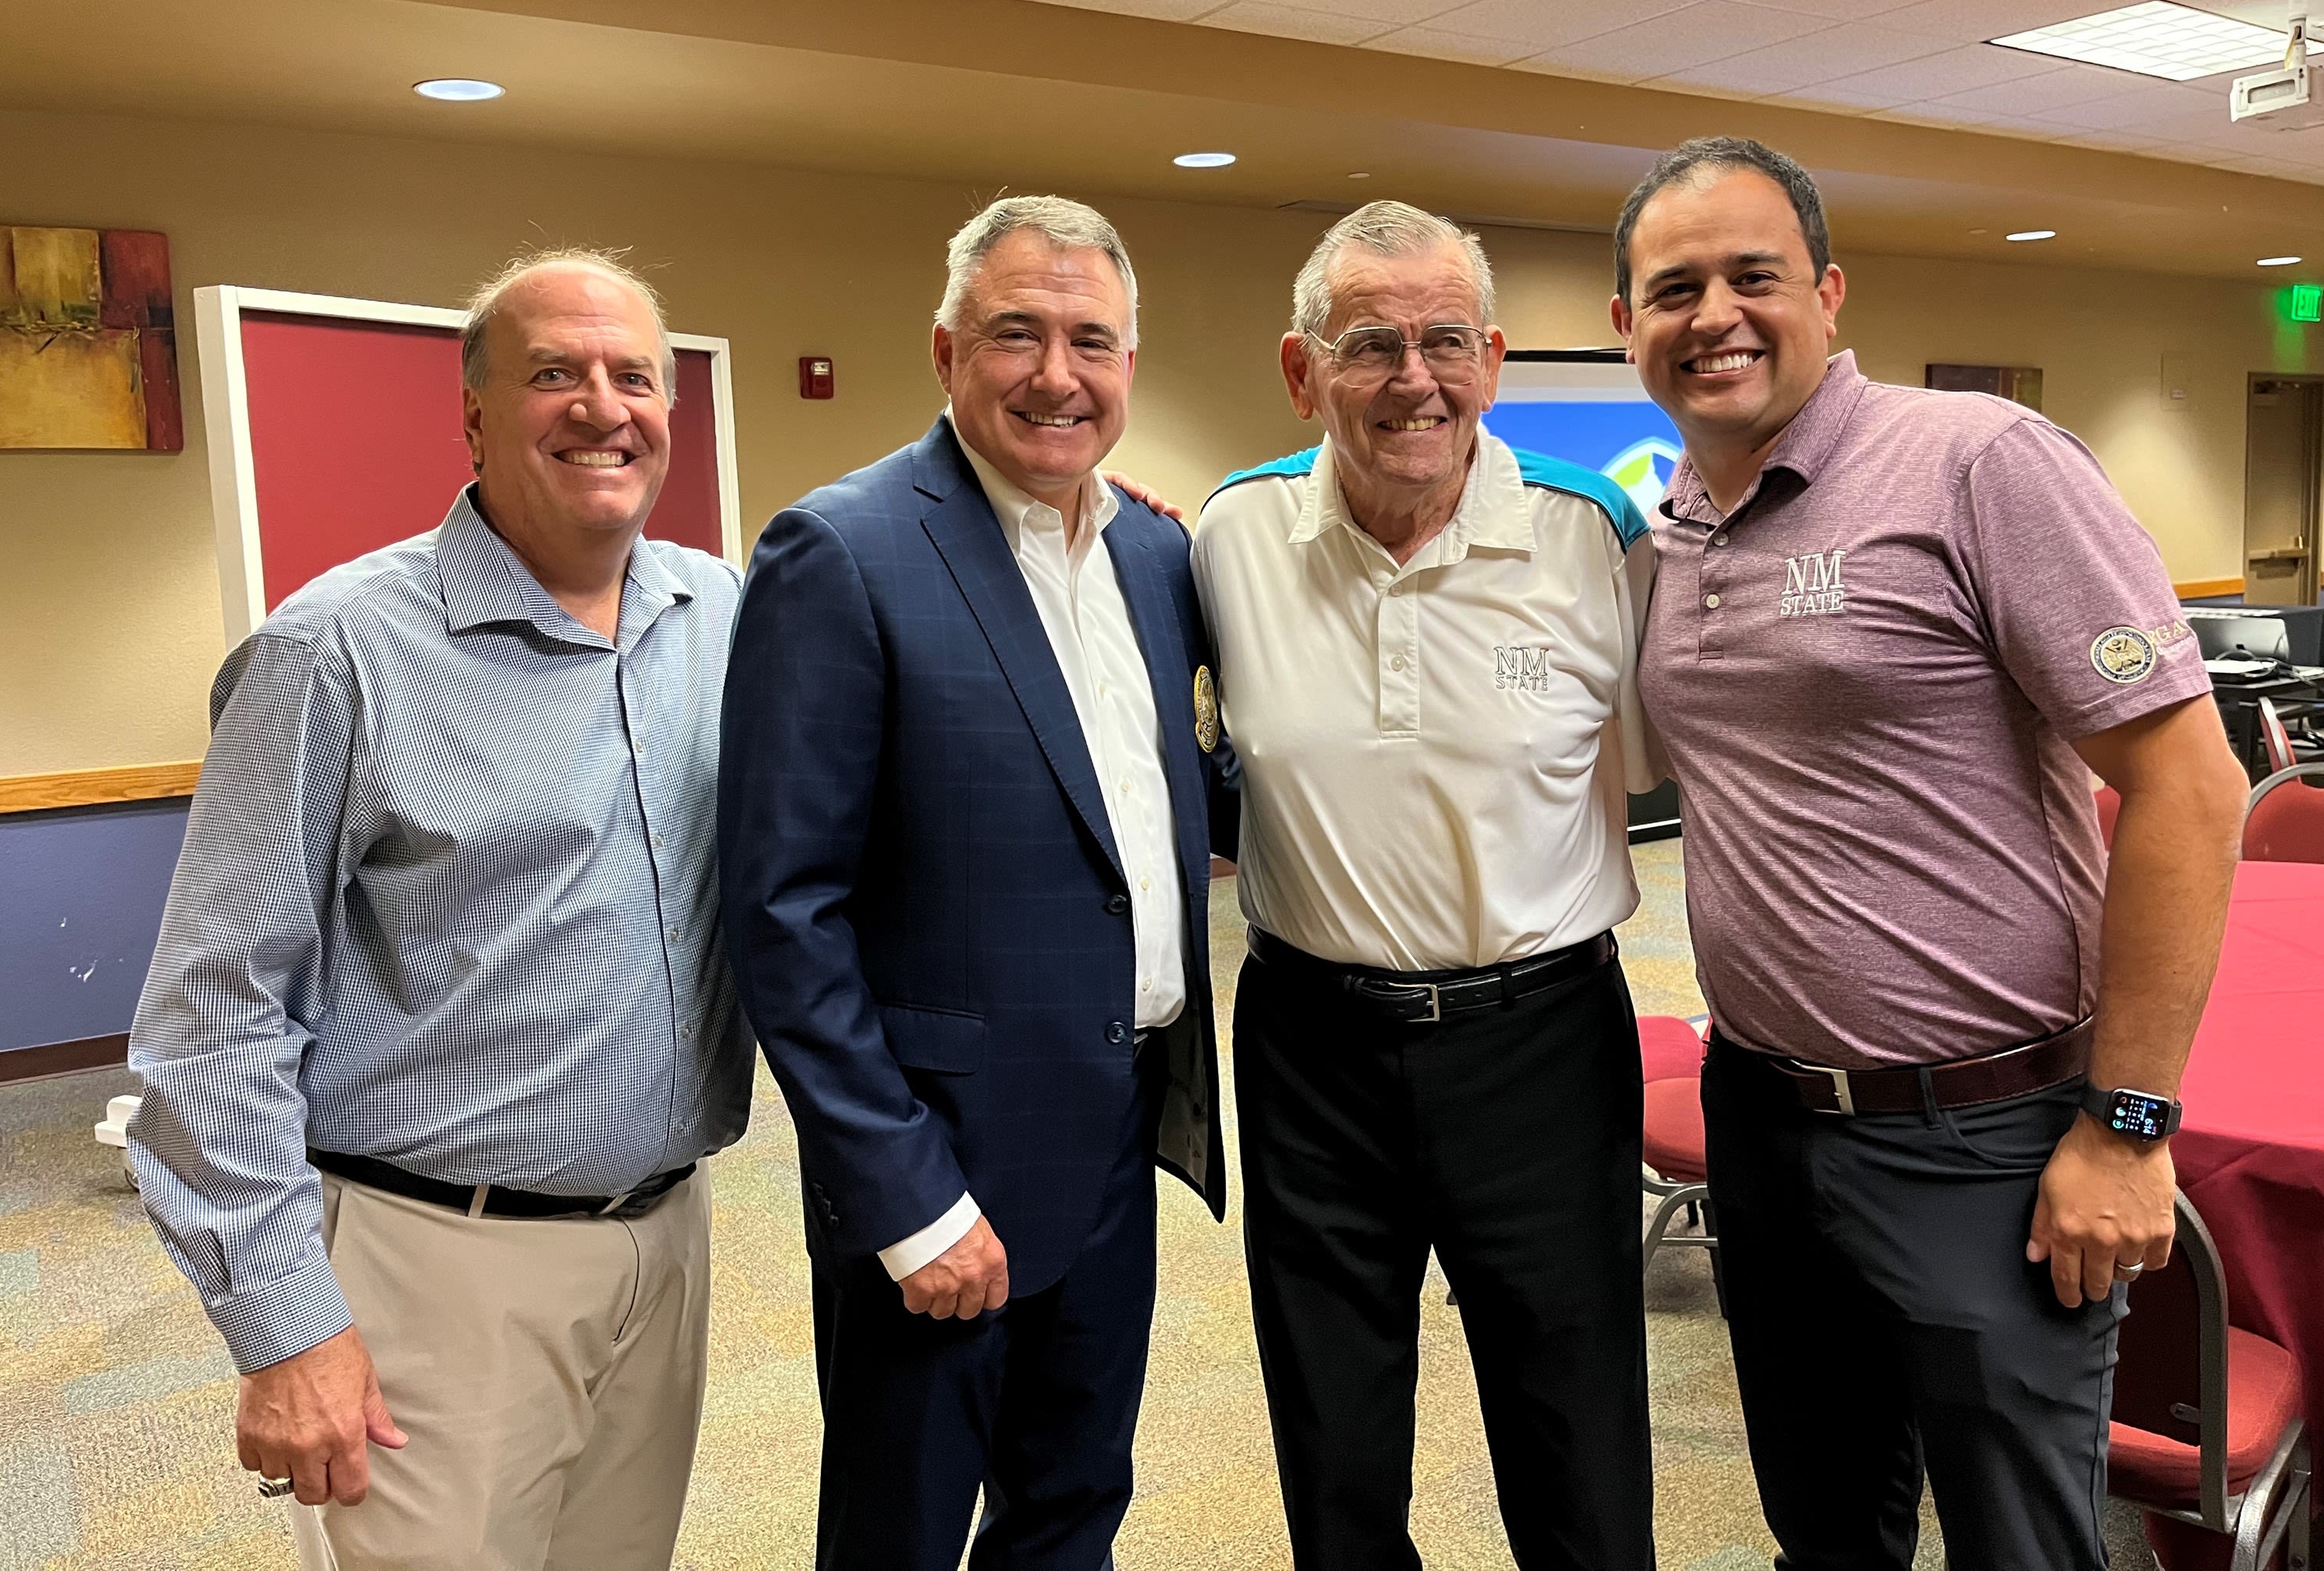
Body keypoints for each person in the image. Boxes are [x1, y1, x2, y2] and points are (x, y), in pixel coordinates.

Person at [1612, 137, 2248, 1570]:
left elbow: (2192, 787)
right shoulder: (1679, 528)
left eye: (1754, 276)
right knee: (1826, 1532)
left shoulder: (1981, 463)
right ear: (1627, 328)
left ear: (1829, 294)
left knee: (2022, 1545)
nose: (1714, 312)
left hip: (1987, 1140)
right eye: (1675, 287)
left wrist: (2129, 1125)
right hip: (1764, 1122)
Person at [127, 249, 752, 1571]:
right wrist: (287, 1325)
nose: (603, 406)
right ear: (472, 415)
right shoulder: (338, 649)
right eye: (554, 374)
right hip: (435, 1263)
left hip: (666, 1239)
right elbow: (212, 1008)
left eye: (633, 375)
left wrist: (1087, 522)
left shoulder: (720, 614)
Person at [718, 195, 1229, 1571]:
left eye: (1091, 340)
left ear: (1129, 364)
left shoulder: (1154, 554)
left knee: (1073, 1513)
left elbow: (1158, 808)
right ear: (948, 350)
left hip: (1116, 1139)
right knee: (902, 1533)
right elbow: (784, 912)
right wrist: (904, 1198)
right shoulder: (843, 551)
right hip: (942, 1168)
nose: (1057, 374)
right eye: (1018, 332)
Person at [1192, 200, 1659, 1570]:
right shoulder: (1231, 535)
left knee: (1574, 1429)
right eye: (1372, 345)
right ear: (1301, 369)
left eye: (1447, 341)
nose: (1416, 380)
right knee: (1334, 1438)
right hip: (1311, 1051)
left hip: (1545, 1044)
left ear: (1495, 358)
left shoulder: (1598, 536)